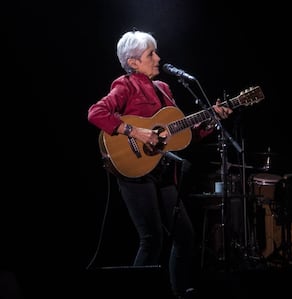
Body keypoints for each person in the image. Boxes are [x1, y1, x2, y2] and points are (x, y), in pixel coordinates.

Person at [87, 30, 233, 299]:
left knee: (185, 236)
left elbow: (180, 135)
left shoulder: (163, 89)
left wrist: (212, 119)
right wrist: (137, 132)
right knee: (151, 238)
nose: (158, 58)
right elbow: (96, 113)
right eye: (150, 54)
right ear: (133, 62)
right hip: (135, 171)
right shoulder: (125, 85)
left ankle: (179, 292)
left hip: (164, 170)